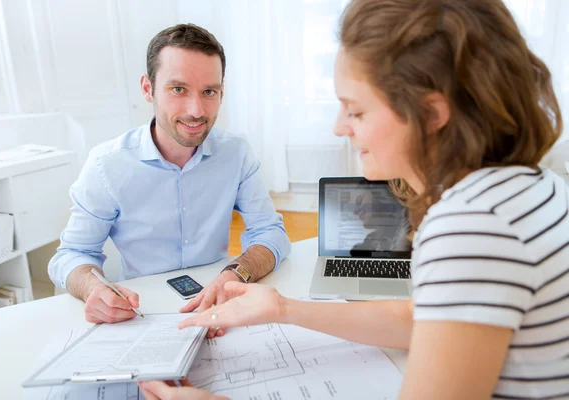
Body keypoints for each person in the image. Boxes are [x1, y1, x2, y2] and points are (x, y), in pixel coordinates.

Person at [140, 0, 569, 399]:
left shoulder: (472, 224)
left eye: (356, 110)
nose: (339, 127)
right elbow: (416, 319)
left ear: (432, 114)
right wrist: (284, 308)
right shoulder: (526, 184)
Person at [48, 24, 291, 333]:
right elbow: (71, 254)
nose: (196, 110)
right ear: (148, 88)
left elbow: (271, 232)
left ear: (222, 91)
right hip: (142, 314)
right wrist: (91, 289)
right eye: (178, 89)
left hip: (219, 303)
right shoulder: (106, 165)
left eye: (209, 92)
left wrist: (235, 274)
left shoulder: (237, 153)